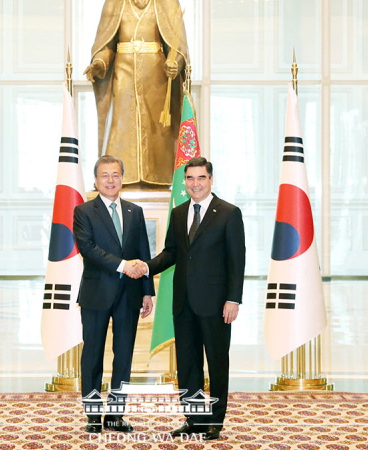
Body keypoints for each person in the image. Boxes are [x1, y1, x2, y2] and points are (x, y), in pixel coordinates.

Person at [139, 157, 245, 440]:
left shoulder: (228, 213)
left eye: (201, 178)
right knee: (187, 363)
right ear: (184, 183)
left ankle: (215, 420)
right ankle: (194, 418)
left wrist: (233, 300)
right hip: (184, 302)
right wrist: (146, 266)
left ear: (211, 180)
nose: (195, 184)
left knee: (217, 361)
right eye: (190, 179)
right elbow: (172, 252)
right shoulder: (179, 212)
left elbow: (237, 261)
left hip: (216, 304)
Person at [73, 155, 155, 433]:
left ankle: (116, 415)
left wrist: (147, 291)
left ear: (122, 178)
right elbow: (88, 249)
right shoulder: (84, 211)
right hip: (97, 293)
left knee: (124, 355)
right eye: (105, 175)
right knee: (93, 355)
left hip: (129, 295)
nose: (110, 180)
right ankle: (94, 416)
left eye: (116, 175)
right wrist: (123, 265)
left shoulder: (134, 211)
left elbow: (143, 251)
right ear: (95, 180)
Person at [85, 0, 188, 187]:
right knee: (121, 126)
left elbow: (178, 45)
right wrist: (100, 63)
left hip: (156, 75)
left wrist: (176, 63)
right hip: (123, 73)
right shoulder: (114, 3)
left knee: (157, 129)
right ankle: (119, 178)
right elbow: (106, 44)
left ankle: (159, 178)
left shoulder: (168, 3)